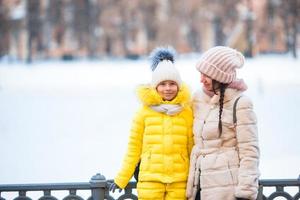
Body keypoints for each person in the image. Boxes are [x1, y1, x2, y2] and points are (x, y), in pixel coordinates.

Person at [109, 47, 194, 200]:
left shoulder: (187, 112)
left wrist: (195, 179)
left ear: (178, 86)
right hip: (150, 180)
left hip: (180, 181)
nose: (167, 88)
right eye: (162, 84)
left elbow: (191, 149)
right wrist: (122, 178)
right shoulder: (143, 113)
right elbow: (133, 149)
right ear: (155, 87)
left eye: (172, 84)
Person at [186, 46, 260, 200]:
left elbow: (249, 151)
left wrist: (245, 191)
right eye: (201, 74)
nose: (201, 79)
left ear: (220, 76)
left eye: (206, 75)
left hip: (226, 191)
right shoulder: (198, 98)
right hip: (198, 188)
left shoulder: (240, 103)